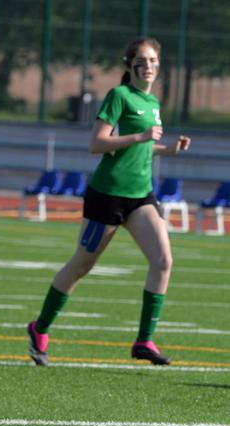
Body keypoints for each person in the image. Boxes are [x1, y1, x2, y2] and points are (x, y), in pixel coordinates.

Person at [26, 37, 191, 367]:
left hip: (141, 196)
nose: (148, 67)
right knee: (81, 266)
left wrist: (168, 149)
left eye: (154, 61)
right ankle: (39, 327)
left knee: (163, 261)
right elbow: (98, 143)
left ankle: (144, 340)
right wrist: (141, 136)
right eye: (142, 61)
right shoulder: (119, 96)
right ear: (129, 65)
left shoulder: (153, 102)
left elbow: (142, 148)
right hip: (108, 194)